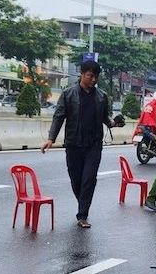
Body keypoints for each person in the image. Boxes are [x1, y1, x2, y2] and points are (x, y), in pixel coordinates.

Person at [41, 60, 124, 228]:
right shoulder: (68, 94)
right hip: (73, 144)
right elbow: (59, 117)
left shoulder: (101, 96)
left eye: (96, 77)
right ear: (82, 73)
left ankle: (82, 214)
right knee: (76, 180)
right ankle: (83, 202)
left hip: (94, 145)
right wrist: (51, 138)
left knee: (89, 179)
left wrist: (114, 123)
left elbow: (104, 119)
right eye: (90, 76)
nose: (93, 80)